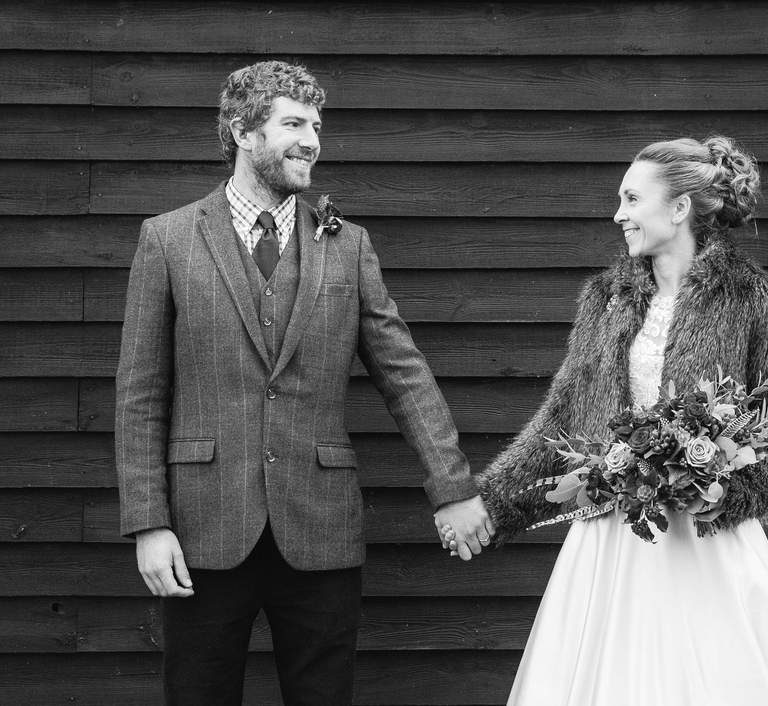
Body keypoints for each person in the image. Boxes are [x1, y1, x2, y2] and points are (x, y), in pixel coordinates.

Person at [115, 60, 494, 706]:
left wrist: (454, 489)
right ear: (242, 131)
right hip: (204, 530)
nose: (312, 139)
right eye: (293, 123)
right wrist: (149, 523)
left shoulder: (346, 246)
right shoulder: (169, 240)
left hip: (320, 530)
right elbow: (141, 395)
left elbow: (404, 375)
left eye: (316, 125)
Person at [456, 136, 768, 704]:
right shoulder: (606, 298)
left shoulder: (752, 296)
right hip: (615, 532)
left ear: (679, 208)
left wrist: (734, 485)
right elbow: (565, 414)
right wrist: (494, 503)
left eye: (632, 199)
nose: (619, 214)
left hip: (705, 532)